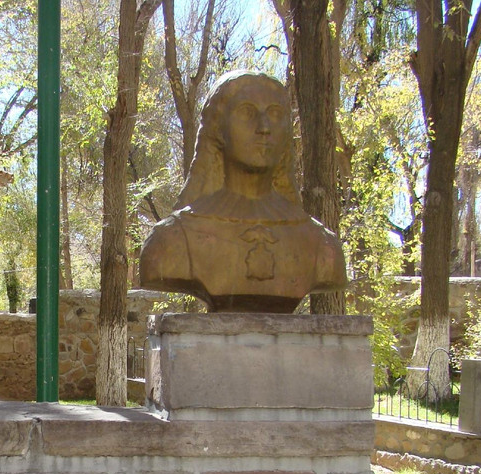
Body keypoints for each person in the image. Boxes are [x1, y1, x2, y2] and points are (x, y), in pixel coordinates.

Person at [140, 71, 346, 312]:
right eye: (247, 112)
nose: (264, 127)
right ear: (218, 129)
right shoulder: (173, 239)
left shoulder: (321, 245)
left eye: (275, 114)